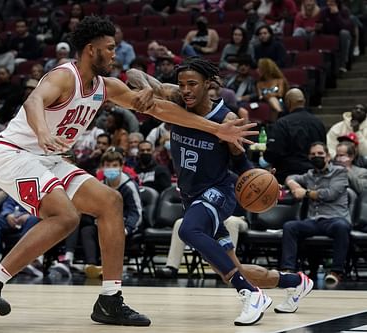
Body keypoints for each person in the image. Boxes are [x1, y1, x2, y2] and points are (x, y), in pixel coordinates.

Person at [0, 16, 255, 325]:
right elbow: (35, 99)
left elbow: (163, 109)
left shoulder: (105, 86)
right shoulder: (64, 76)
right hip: (15, 155)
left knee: (111, 202)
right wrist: (43, 133)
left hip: (49, 159)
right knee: (65, 216)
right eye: (110, 48)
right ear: (91, 50)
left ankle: (110, 300)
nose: (115, 54)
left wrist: (216, 129)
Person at [127, 57, 313, 325]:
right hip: (191, 197)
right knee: (232, 269)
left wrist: (257, 177)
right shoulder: (177, 99)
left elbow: (239, 161)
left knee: (188, 230)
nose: (187, 89)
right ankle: (296, 281)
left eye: (193, 84)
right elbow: (133, 73)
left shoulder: (226, 119)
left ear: (208, 85)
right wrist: (146, 86)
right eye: (182, 84)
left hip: (218, 192)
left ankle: (250, 294)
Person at [283, 142, 351, 285]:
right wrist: (294, 185)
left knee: (342, 227)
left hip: (335, 219)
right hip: (313, 221)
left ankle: (336, 272)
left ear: (328, 156)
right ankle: (288, 271)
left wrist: (306, 193)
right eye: (313, 154)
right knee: (290, 226)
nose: (316, 157)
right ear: (309, 157)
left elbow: (330, 194)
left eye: (320, 154)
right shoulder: (309, 175)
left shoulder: (340, 172)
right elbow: (290, 177)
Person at [263, 88, 327, 183]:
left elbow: (273, 153)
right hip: (314, 176)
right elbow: (323, 150)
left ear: (287, 103)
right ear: (304, 101)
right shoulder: (318, 123)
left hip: (286, 176)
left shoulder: (282, 123)